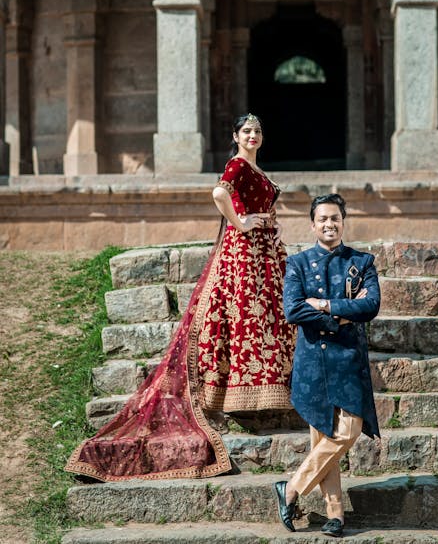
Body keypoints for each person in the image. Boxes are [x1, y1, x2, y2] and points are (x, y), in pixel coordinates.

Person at [65, 114, 295, 482]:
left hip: (265, 250)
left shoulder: (255, 167)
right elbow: (219, 192)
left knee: (263, 316)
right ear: (235, 136)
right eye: (247, 131)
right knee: (246, 315)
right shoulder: (237, 164)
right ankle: (236, 390)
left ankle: (261, 387)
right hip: (246, 251)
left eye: (258, 130)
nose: (253, 135)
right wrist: (240, 223)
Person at [274, 193, 380, 538]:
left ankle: (291, 489)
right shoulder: (298, 264)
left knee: (347, 431)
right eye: (322, 219)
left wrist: (321, 304)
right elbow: (293, 311)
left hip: (348, 359)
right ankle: (335, 515)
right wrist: (342, 312)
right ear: (313, 224)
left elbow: (371, 305)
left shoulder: (362, 262)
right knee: (322, 434)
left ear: (343, 221)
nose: (329, 224)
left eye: (335, 218)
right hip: (313, 360)